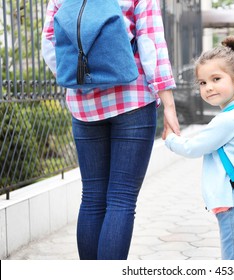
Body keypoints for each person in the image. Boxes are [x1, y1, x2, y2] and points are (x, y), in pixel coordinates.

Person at [41, 0, 180, 260]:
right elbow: (151, 44)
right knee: (121, 200)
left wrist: (82, 79)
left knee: (92, 198)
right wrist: (169, 104)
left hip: (84, 108)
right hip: (132, 100)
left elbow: (49, 42)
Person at [165, 36, 234, 260]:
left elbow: (193, 147)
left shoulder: (230, 119)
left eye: (216, 79)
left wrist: (170, 139)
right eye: (203, 83)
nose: (208, 87)